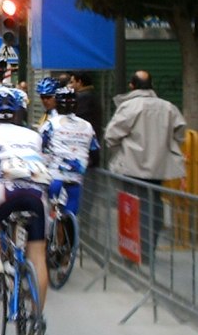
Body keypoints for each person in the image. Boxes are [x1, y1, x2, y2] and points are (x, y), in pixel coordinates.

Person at [0, 91, 51, 313]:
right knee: (38, 254)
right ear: (16, 115)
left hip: (6, 188)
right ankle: (37, 318)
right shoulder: (33, 135)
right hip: (37, 192)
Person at [105, 70, 187, 258]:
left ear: (132, 85)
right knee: (154, 205)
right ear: (152, 85)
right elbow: (180, 134)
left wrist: (120, 152)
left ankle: (133, 250)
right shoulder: (168, 107)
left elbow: (111, 135)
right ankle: (148, 248)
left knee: (131, 207)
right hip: (159, 168)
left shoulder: (129, 107)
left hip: (131, 167)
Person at [42, 87, 99, 217]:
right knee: (71, 212)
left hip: (55, 175)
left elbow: (41, 145)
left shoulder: (51, 124)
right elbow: (95, 151)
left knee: (49, 212)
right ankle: (69, 226)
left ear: (57, 104)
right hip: (76, 175)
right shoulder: (87, 126)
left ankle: (52, 226)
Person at [69, 72, 103, 140]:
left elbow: (79, 117)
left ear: (79, 82)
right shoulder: (93, 95)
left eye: (72, 82)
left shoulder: (82, 97)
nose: (70, 85)